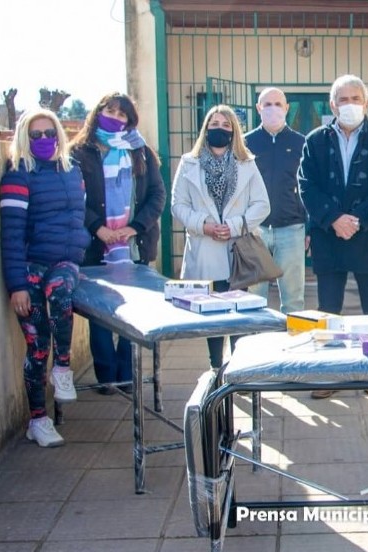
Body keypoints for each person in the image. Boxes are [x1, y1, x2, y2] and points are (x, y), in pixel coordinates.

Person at [298, 74, 368, 403]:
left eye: (356, 98)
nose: (350, 105)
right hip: (329, 236)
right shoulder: (315, 140)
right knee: (328, 310)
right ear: (332, 105)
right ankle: (330, 374)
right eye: (343, 99)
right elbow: (306, 184)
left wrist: (358, 220)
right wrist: (332, 219)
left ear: (367, 102)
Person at [0, 109, 91, 447]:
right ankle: (38, 420)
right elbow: (10, 236)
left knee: (62, 294)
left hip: (65, 263)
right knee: (37, 348)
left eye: (48, 133)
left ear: (59, 135)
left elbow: (78, 219)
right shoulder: (17, 176)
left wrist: (78, 252)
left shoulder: (72, 172)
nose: (43, 140)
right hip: (29, 270)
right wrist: (17, 286)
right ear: (24, 138)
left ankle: (63, 369)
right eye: (35, 135)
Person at [70, 93, 166, 393]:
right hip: (95, 245)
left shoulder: (142, 152)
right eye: (109, 111)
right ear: (97, 112)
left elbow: (157, 195)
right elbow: (73, 198)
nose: (115, 117)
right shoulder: (79, 152)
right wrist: (98, 228)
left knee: (132, 312)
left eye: (122, 114)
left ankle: (127, 374)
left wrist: (134, 228)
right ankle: (107, 377)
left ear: (130, 120)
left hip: (132, 245)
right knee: (101, 314)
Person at [171, 104, 270, 370]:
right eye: (214, 124)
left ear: (234, 131)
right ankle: (216, 369)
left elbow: (262, 204)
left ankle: (238, 370)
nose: (219, 129)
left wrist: (235, 225)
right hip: (205, 250)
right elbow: (177, 205)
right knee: (212, 317)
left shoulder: (247, 163)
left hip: (237, 251)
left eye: (226, 125)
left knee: (238, 317)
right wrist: (204, 225)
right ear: (205, 129)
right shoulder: (188, 163)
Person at [245, 87, 308, 313]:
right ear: (258, 108)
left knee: (293, 301)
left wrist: (307, 228)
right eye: (267, 104)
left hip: (291, 229)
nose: (273, 109)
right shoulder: (244, 144)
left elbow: (308, 188)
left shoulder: (301, 143)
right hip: (254, 231)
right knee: (253, 300)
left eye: (278, 104)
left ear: (287, 108)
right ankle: (253, 346)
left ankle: (292, 346)